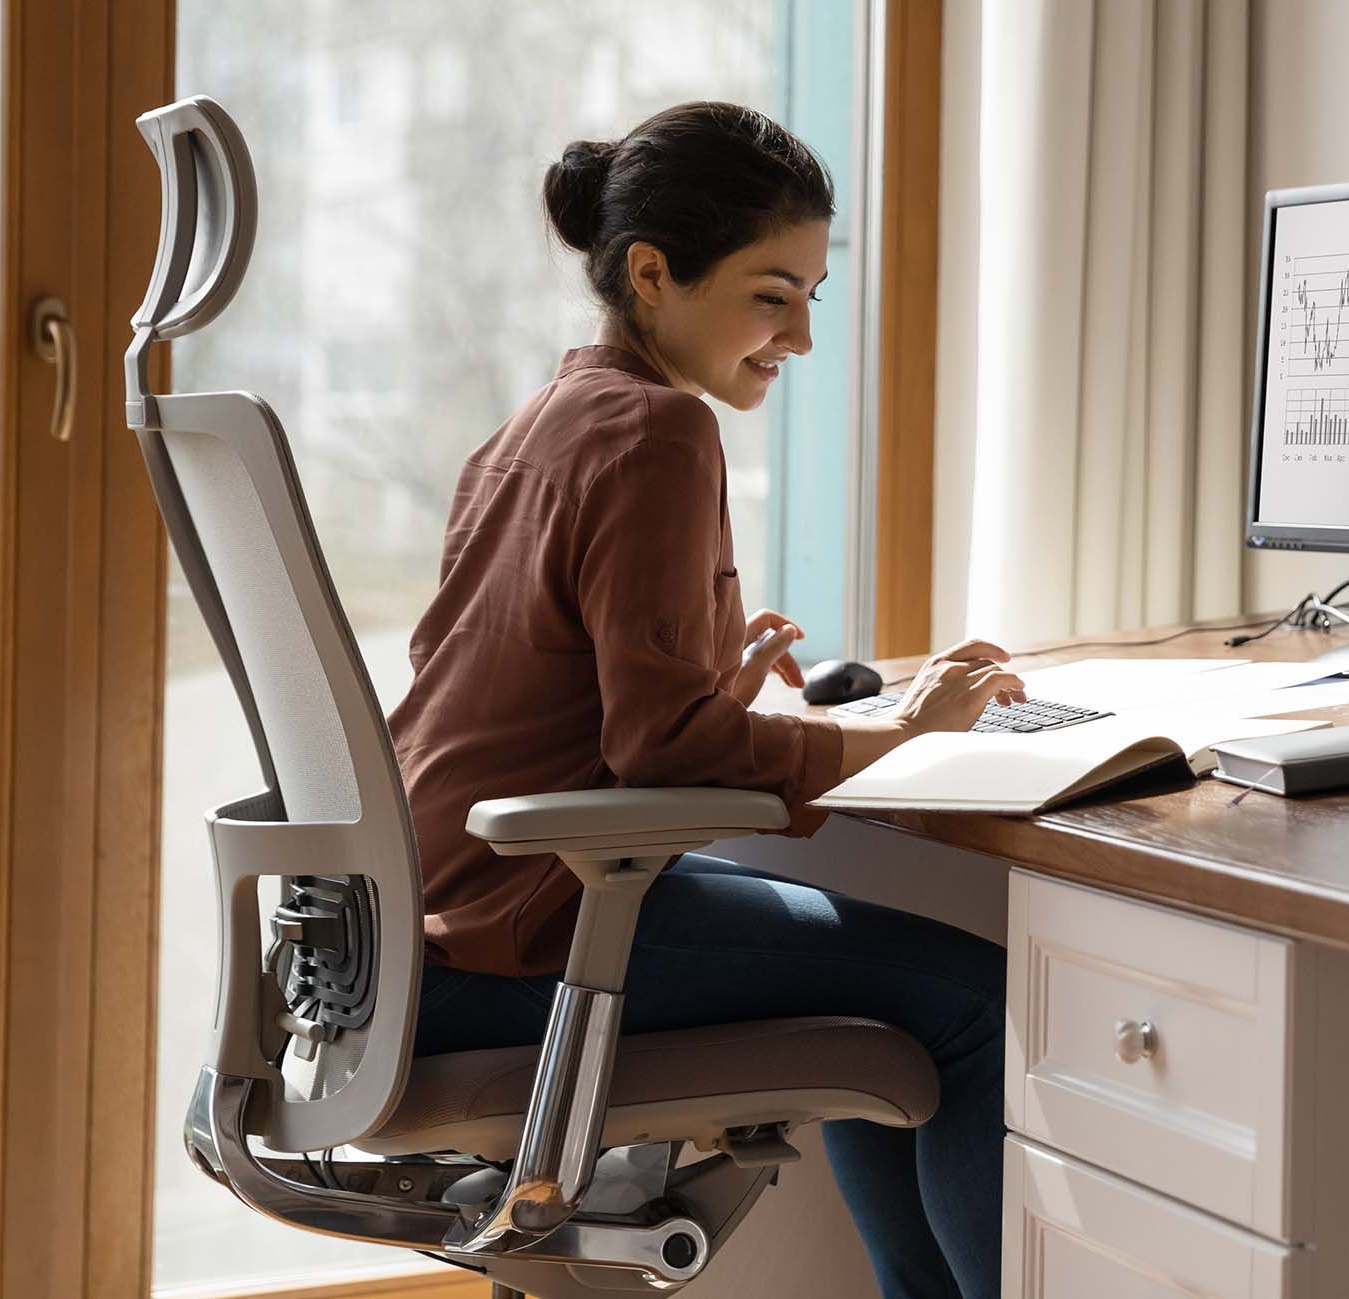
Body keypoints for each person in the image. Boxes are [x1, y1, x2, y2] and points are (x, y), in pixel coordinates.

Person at [388, 101, 1020, 1299]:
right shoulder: (659, 427)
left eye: (811, 298)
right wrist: (897, 727)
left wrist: (712, 698)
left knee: (903, 1015)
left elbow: (585, 715)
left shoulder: (544, 418)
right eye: (770, 294)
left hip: (430, 920)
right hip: (528, 931)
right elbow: (662, 740)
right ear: (651, 273)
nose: (800, 337)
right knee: (978, 1004)